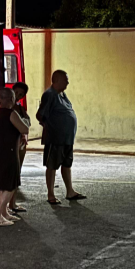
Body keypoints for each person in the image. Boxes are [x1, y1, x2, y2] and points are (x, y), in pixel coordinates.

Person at [0, 88, 30, 227]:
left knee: (2, 183)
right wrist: (24, 120)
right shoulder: (11, 113)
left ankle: (4, 212)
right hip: (8, 150)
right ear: (11, 99)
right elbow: (24, 129)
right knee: (11, 182)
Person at [36, 69, 86, 205]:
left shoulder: (62, 94)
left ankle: (70, 191)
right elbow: (40, 115)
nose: (68, 82)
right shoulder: (49, 95)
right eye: (65, 80)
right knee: (52, 165)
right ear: (57, 80)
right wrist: (51, 127)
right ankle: (50, 194)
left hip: (67, 138)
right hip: (55, 138)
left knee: (67, 164)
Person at [6, 81, 30, 214]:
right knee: (11, 175)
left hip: (20, 144)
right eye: (17, 93)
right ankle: (7, 205)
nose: (19, 96)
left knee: (16, 173)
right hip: (11, 144)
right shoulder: (6, 107)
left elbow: (27, 123)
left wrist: (25, 136)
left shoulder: (20, 107)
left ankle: (12, 203)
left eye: (21, 94)